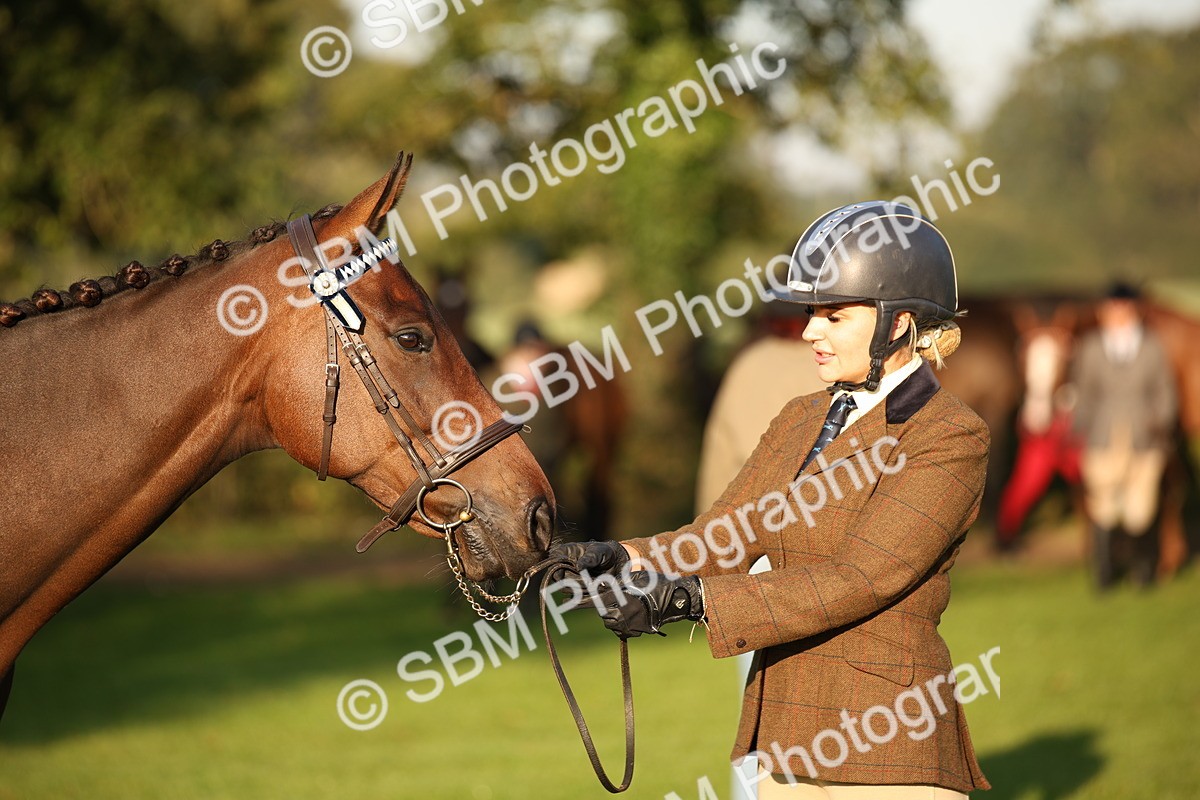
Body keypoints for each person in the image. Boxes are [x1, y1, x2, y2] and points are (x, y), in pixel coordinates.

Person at [552, 202, 992, 797]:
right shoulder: (800, 416)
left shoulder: (947, 435)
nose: (809, 331)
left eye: (834, 317)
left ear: (902, 324)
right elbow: (724, 534)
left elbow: (861, 578)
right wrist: (621, 558)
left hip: (890, 747)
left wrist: (688, 600)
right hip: (783, 741)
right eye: (813, 314)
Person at [1070, 282, 1177, 589]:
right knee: (1103, 504)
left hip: (1144, 434)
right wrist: (1082, 429)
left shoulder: (1151, 347)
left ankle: (1143, 570)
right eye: (1110, 309)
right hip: (1102, 435)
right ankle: (1104, 572)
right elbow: (1084, 392)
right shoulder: (1091, 347)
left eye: (1122, 309)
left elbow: (1164, 390)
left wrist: (1161, 420)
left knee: (1140, 507)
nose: (1116, 315)